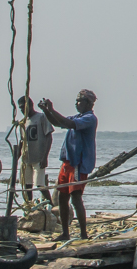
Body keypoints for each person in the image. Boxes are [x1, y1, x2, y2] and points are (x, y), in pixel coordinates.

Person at [39, 90, 97, 241]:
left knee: (76, 198)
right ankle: (65, 233)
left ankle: (83, 234)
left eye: (79, 101)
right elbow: (58, 122)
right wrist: (46, 111)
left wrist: (51, 110)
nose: (77, 104)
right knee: (62, 197)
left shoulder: (89, 118)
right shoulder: (78, 116)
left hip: (78, 163)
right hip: (67, 162)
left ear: (88, 104)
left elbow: (68, 123)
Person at [17, 96, 54, 206]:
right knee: (27, 185)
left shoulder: (41, 117)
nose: (22, 110)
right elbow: (22, 141)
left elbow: (49, 137)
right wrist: (17, 156)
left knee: (40, 184)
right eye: (20, 108)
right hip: (26, 158)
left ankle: (51, 206)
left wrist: (45, 157)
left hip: (38, 157)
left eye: (24, 107)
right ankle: (29, 205)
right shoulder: (23, 122)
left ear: (30, 106)